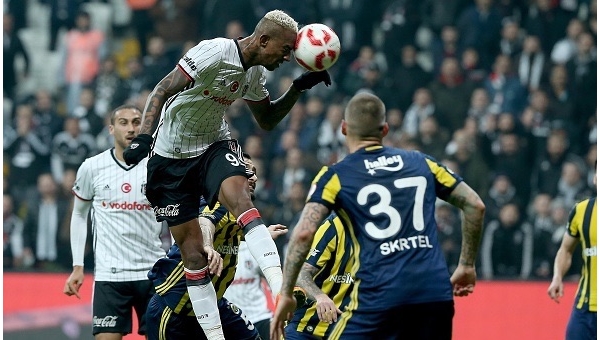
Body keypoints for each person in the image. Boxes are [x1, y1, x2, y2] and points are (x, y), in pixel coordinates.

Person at [122, 9, 331, 339]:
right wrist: (144, 138)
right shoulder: (215, 52)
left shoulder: (253, 76)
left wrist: (297, 88)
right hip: (170, 157)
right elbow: (162, 89)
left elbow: (266, 119)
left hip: (213, 145)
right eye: (286, 50)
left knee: (241, 197)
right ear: (263, 40)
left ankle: (281, 290)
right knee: (192, 255)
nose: (290, 58)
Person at [271, 92, 486, 339]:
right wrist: (467, 264)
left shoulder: (336, 175)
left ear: (343, 128)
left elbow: (304, 232)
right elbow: (475, 205)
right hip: (434, 292)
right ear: (385, 130)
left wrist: (286, 292)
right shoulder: (421, 162)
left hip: (380, 294)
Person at [145, 154, 288, 340]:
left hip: (214, 304)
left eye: (255, 172)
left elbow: (230, 230)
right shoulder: (218, 202)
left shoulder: (239, 209)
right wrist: (206, 246)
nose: (254, 177)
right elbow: (206, 222)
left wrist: (261, 234)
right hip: (175, 309)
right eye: (247, 171)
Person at [63, 105, 166, 339]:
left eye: (136, 122)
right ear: (111, 129)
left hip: (152, 272)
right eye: (124, 122)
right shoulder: (92, 167)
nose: (131, 128)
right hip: (110, 276)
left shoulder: (157, 166)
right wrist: (77, 265)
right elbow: (79, 215)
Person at [284, 214, 355, 339]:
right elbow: (301, 272)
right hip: (306, 327)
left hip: (348, 330)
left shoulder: (386, 237)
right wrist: (320, 296)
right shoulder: (334, 225)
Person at [547, 166, 597, 340]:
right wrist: (557, 277)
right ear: (594, 178)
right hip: (584, 307)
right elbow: (566, 250)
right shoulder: (581, 211)